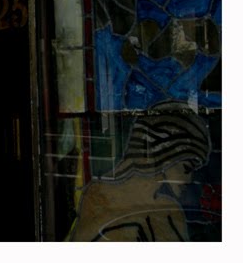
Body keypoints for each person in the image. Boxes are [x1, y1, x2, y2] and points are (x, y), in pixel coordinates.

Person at [67, 103, 212, 241]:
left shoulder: (169, 210)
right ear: (163, 152)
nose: (189, 179)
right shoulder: (103, 199)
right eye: (186, 168)